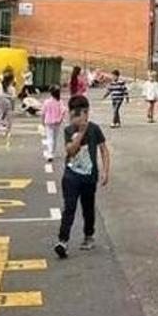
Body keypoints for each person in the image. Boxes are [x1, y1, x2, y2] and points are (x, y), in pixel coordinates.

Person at [53, 95, 110, 259]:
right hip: (71, 176)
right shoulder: (69, 130)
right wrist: (81, 132)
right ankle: (63, 241)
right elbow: (70, 150)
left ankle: (88, 235)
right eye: (77, 113)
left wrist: (106, 171)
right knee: (69, 208)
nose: (81, 116)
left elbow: (104, 149)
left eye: (84, 112)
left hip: (89, 177)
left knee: (88, 208)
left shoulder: (95, 129)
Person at [41, 86, 65, 161]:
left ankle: (50, 153)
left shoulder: (47, 102)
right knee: (55, 138)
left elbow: (43, 113)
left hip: (48, 122)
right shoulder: (59, 102)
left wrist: (42, 121)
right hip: (57, 122)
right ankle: (52, 152)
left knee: (50, 137)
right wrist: (60, 119)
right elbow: (63, 111)